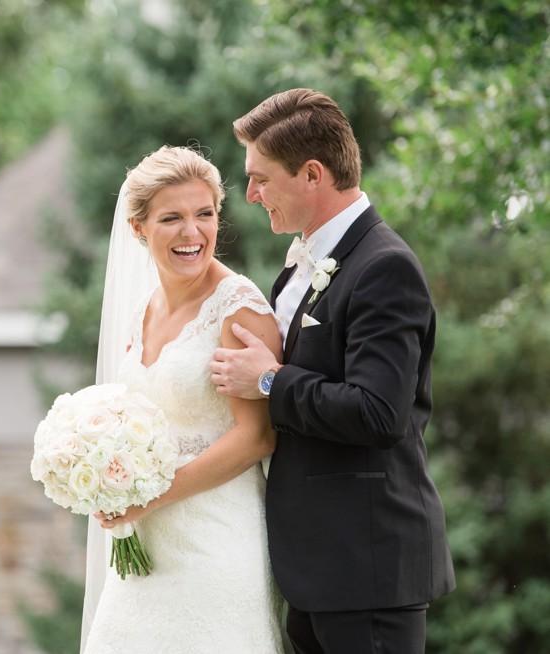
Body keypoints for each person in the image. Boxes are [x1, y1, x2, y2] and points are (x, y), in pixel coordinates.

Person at [210, 88, 456, 653]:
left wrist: (269, 381)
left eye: (261, 178)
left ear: (313, 174)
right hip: (317, 572)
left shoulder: (384, 266)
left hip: (366, 568)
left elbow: (378, 413)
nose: (249, 195)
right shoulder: (302, 264)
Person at [81, 145, 286, 653]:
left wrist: (149, 496)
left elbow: (257, 436)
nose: (193, 233)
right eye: (172, 218)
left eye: (205, 215)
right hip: (146, 542)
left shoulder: (238, 306)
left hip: (215, 540)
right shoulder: (141, 311)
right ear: (138, 228)